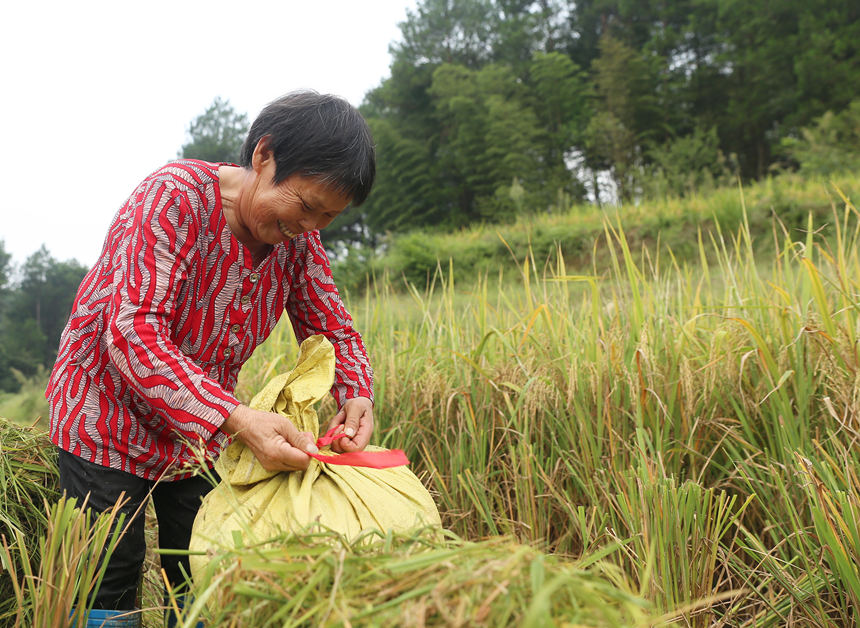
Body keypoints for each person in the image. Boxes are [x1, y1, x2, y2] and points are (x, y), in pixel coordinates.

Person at [46, 91, 376, 627]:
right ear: (263, 156)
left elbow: (332, 326)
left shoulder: (299, 244)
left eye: (328, 217)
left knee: (205, 568)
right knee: (109, 575)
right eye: (306, 206)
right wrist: (239, 419)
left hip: (198, 433)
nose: (311, 227)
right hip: (105, 415)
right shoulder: (173, 199)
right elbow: (133, 331)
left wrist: (355, 392)